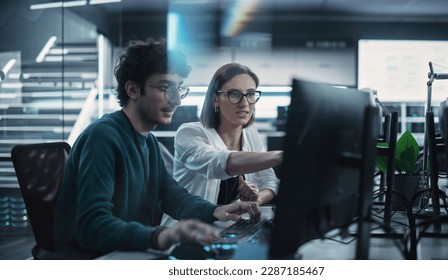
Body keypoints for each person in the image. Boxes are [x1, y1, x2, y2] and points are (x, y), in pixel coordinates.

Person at [53, 39, 259, 258]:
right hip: (96, 260)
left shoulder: (149, 142)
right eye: (165, 87)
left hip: (127, 254)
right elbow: (91, 226)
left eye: (178, 87)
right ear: (133, 90)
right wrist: (158, 236)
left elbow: (171, 195)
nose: (177, 99)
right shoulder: (102, 137)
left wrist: (215, 211)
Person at [161, 63, 282, 226]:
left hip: (225, 229)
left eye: (251, 94)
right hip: (184, 232)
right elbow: (218, 163)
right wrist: (280, 156)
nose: (244, 103)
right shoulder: (189, 133)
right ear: (215, 99)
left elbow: (270, 181)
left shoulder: (250, 133)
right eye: (234, 94)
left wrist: (255, 200)